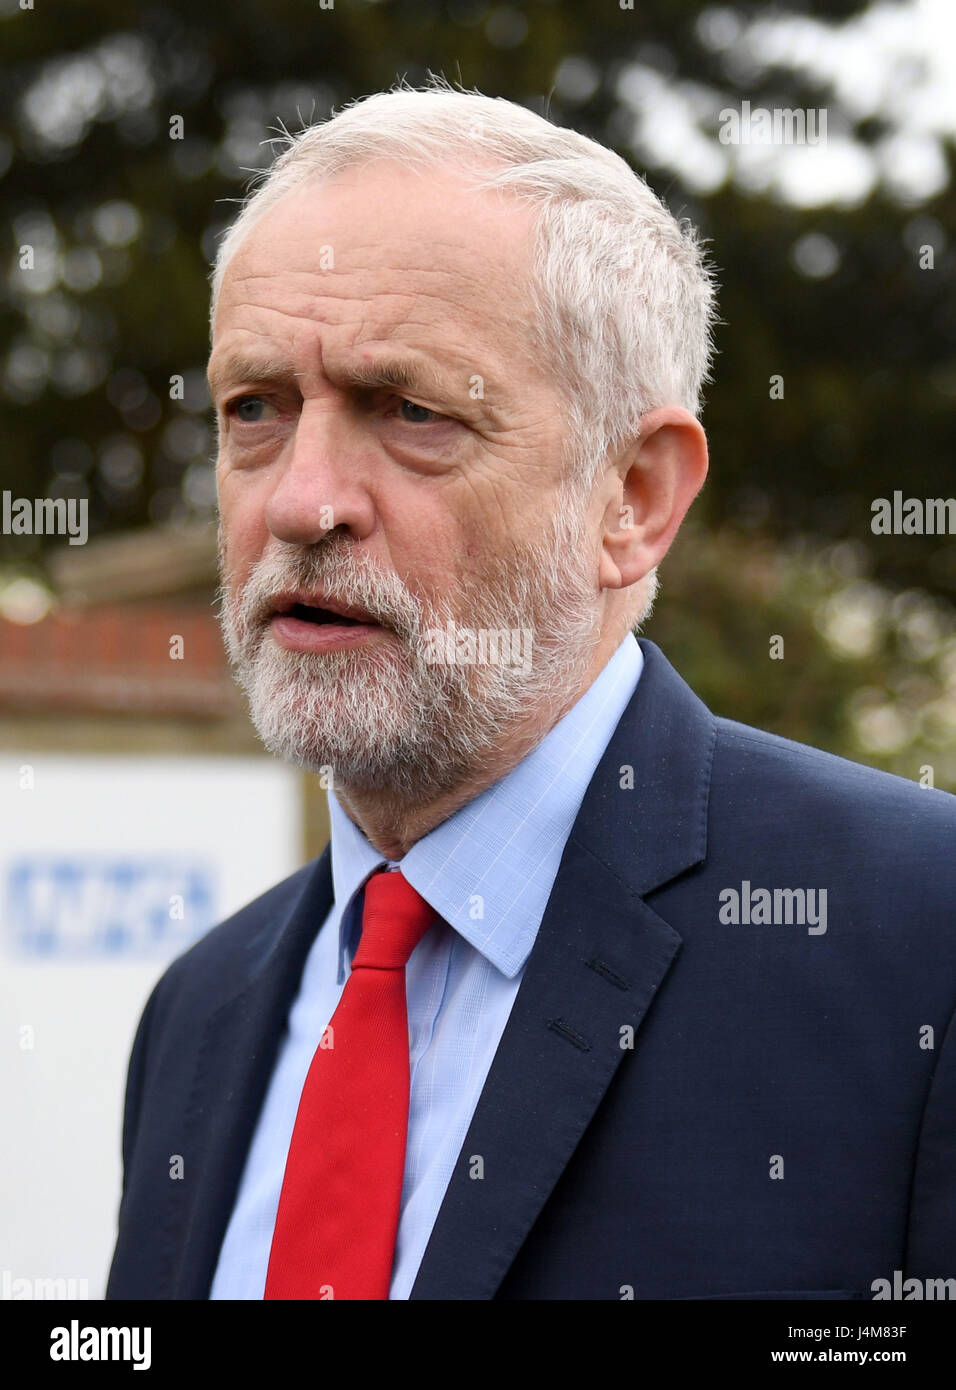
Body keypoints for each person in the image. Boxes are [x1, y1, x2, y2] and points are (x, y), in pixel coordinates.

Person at [106, 81, 956, 1301]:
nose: (299, 501)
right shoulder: (199, 1013)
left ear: (633, 498)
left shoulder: (914, 944)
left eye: (411, 411)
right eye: (255, 409)